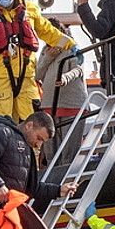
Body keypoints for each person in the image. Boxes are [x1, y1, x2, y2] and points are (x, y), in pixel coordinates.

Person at [33, 21, 88, 166]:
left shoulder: (72, 48)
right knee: (51, 154)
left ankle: (67, 185)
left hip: (71, 105)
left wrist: (65, 77)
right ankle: (51, 185)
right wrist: (48, 57)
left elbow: (79, 69)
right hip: (49, 107)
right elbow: (37, 75)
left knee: (69, 154)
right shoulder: (45, 51)